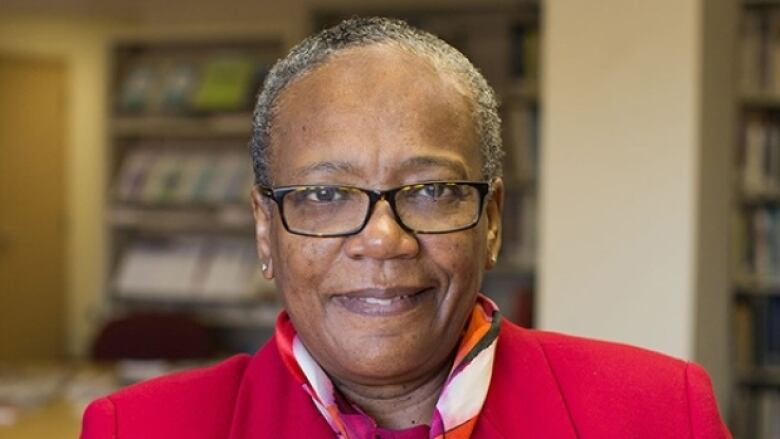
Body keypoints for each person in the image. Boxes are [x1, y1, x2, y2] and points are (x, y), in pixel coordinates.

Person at [81, 17, 731, 438]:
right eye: (325, 193)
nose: (384, 238)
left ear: (494, 219)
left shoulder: (660, 412)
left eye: (432, 189)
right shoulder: (137, 427)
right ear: (264, 231)